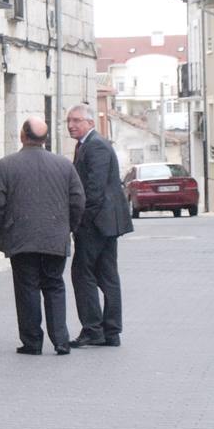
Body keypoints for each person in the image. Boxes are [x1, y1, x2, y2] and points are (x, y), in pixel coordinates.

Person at [0, 117, 85, 356]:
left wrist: (3, 227)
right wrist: (68, 227)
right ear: (45, 139)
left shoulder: (6, 165)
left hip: (21, 238)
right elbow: (78, 200)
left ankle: (32, 341)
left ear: (22, 135)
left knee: (27, 287)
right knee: (54, 285)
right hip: (54, 237)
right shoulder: (63, 165)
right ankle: (61, 340)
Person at [66, 104, 133, 348]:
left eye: (76, 120)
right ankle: (110, 332)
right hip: (104, 222)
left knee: (83, 274)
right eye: (69, 121)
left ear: (90, 123)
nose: (71, 125)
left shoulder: (95, 145)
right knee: (106, 275)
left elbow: (93, 190)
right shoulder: (87, 144)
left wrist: (80, 221)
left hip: (97, 223)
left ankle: (94, 329)